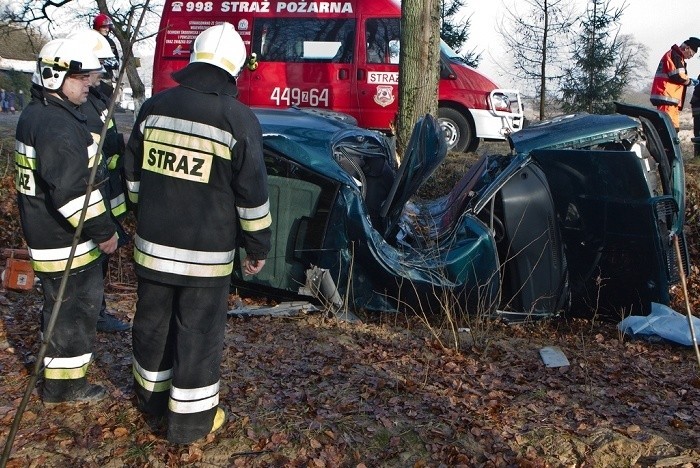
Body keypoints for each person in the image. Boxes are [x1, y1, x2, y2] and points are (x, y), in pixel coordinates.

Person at [124, 22, 272, 444]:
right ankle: (189, 424)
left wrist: (144, 210)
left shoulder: (153, 108)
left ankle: (149, 400)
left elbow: (131, 176)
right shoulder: (239, 120)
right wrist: (258, 245)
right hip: (205, 260)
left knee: (152, 324)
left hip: (152, 250)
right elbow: (252, 196)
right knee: (198, 334)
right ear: (235, 70)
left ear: (194, 58)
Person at [14, 38, 118, 403]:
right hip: (63, 240)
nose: (89, 84)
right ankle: (64, 388)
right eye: (81, 77)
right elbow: (71, 194)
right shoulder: (56, 126)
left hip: (50, 233)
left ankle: (60, 380)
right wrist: (104, 231)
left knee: (64, 309)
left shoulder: (41, 114)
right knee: (72, 313)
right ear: (54, 75)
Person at [68, 28, 130, 333]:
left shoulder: (96, 96)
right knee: (88, 263)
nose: (99, 75)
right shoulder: (75, 104)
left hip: (106, 193)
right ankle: (91, 315)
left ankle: (96, 312)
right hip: (90, 198)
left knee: (99, 263)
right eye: (95, 69)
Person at [650, 37, 700, 132]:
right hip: (666, 98)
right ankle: (665, 147)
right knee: (667, 129)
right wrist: (690, 82)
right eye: (691, 54)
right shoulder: (675, 55)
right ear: (687, 48)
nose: (690, 57)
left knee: (673, 129)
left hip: (670, 100)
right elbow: (678, 76)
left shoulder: (677, 56)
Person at [92, 13, 120, 97]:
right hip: (91, 78)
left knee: (106, 104)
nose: (107, 30)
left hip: (106, 79)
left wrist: (108, 62)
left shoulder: (110, 42)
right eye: (104, 27)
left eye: (108, 27)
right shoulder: (90, 39)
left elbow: (116, 61)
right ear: (97, 27)